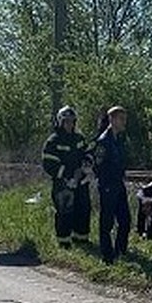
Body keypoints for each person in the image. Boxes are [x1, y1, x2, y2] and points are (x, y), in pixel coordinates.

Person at [41, 106, 94, 248]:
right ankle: (64, 242)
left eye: (72, 121)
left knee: (83, 209)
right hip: (63, 184)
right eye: (66, 121)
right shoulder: (53, 141)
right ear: (60, 122)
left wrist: (86, 164)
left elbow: (87, 153)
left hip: (81, 182)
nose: (69, 124)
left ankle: (81, 239)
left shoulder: (79, 138)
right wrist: (68, 175)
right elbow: (49, 164)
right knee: (65, 212)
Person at [94, 105, 131, 264]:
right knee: (107, 222)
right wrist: (106, 183)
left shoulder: (120, 139)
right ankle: (107, 256)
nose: (124, 122)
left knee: (125, 220)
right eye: (121, 119)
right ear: (112, 119)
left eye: (125, 119)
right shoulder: (104, 141)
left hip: (118, 184)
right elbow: (98, 165)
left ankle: (120, 251)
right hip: (108, 186)